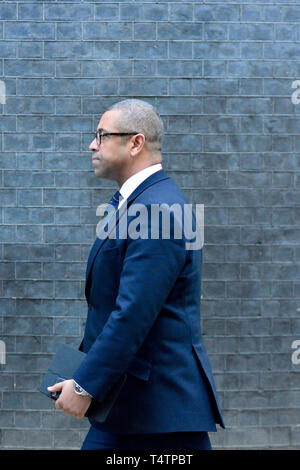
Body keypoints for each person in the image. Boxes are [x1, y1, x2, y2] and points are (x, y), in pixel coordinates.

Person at [47, 99, 225, 450]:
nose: (92, 144)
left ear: (135, 143)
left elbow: (132, 313)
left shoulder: (156, 209)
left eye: (102, 135)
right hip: (132, 406)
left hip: (158, 413)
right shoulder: (140, 203)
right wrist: (82, 373)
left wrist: (85, 384)